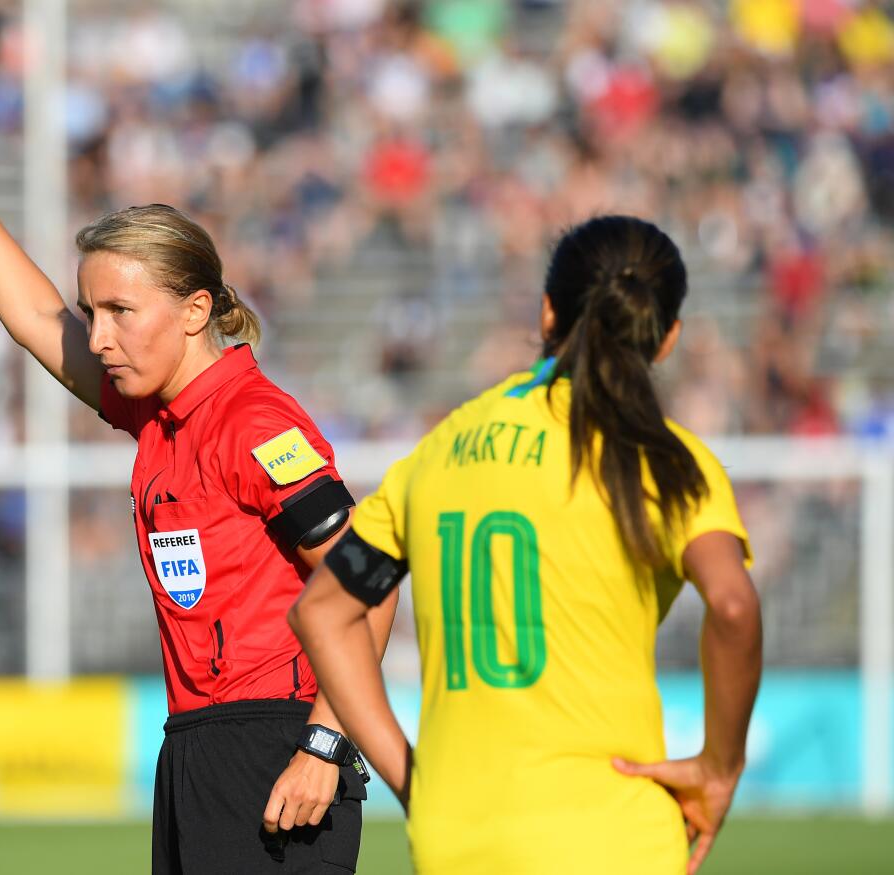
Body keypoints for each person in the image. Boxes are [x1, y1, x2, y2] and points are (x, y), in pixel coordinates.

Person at [0, 85, 398, 874]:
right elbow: (37, 320)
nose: (98, 336)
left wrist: (326, 741)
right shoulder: (158, 416)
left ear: (196, 309)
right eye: (90, 311)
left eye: (120, 312)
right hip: (196, 748)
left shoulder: (255, 422)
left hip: (280, 746)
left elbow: (367, 581)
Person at [289, 216, 763, 875]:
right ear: (668, 339)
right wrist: (719, 765)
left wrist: (410, 777)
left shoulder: (440, 448)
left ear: (547, 313)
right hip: (612, 834)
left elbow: (321, 610)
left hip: (455, 836)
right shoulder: (665, 459)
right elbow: (734, 606)